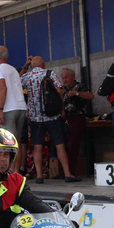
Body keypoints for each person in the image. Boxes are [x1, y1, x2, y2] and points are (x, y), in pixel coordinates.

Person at [21, 56, 80, 184]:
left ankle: (39, 176)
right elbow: (59, 90)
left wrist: (25, 67)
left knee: (37, 146)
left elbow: (17, 83)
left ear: (32, 66)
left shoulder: (27, 76)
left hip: (35, 117)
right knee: (59, 145)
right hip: (52, 116)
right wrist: (61, 108)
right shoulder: (50, 73)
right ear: (43, 64)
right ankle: (68, 174)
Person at [0, 46, 28, 172]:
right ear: (7, 56)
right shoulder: (13, 69)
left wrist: (0, 109)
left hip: (9, 109)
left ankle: (10, 174)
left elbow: (3, 87)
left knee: (8, 144)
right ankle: (16, 173)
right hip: (21, 107)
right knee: (17, 142)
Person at [60, 67, 94, 178]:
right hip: (64, 119)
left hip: (77, 118)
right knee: (62, 145)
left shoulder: (79, 86)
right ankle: (62, 172)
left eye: (66, 78)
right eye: (63, 78)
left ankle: (71, 172)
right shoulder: (62, 89)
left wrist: (77, 93)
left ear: (73, 77)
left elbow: (91, 96)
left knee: (73, 145)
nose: (64, 80)